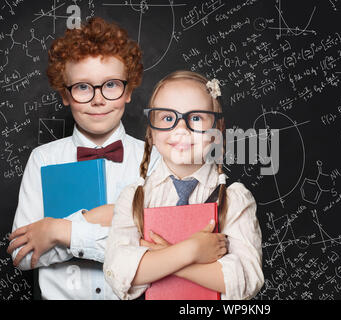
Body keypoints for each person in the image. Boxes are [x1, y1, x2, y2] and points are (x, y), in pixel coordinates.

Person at [7, 17, 160, 299]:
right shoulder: (43, 160)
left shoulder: (156, 160)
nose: (98, 99)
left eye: (111, 85)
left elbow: (160, 251)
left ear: (128, 91)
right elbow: (22, 254)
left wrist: (59, 230)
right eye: (82, 87)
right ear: (65, 95)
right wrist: (119, 237)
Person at [103, 70, 264, 300]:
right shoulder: (133, 199)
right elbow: (118, 271)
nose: (181, 129)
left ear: (216, 131)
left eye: (196, 118)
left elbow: (245, 280)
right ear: (151, 133)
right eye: (168, 119)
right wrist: (192, 250)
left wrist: (163, 257)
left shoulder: (234, 200)